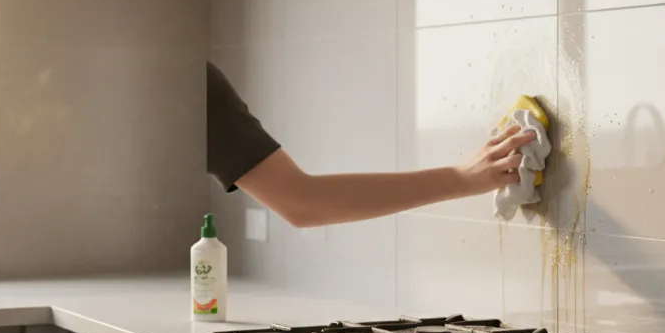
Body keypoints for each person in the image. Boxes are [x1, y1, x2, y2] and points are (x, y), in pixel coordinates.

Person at [207, 62, 536, 228]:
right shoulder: (191, 85)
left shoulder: (188, 84)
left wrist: (465, 176)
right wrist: (462, 177)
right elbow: (301, 201)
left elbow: (300, 201)